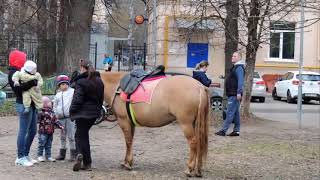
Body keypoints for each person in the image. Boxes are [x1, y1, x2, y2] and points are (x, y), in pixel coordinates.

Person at [70, 59, 104, 171]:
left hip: (82, 113)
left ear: (82, 68)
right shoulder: (99, 81)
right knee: (83, 135)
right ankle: (87, 163)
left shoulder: (81, 82)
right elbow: (101, 99)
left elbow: (78, 99)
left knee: (79, 135)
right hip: (94, 113)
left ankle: (80, 154)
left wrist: (72, 110)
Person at [8, 50, 38, 166]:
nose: (25, 61)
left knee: (33, 130)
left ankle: (25, 154)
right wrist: (32, 83)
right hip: (23, 104)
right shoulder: (13, 73)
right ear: (18, 60)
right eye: (23, 59)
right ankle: (20, 157)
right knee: (23, 131)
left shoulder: (22, 71)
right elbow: (18, 89)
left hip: (32, 103)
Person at [215, 52, 245, 136]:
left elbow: (240, 81)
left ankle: (223, 131)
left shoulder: (239, 68)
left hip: (234, 94)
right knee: (235, 113)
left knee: (229, 112)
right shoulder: (235, 67)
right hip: (233, 93)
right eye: (232, 56)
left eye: (235, 56)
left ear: (239, 58)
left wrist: (239, 92)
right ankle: (236, 131)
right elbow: (233, 80)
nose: (232, 57)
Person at [53, 75, 76, 161]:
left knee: (71, 136)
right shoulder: (58, 95)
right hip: (60, 118)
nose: (64, 85)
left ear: (68, 84)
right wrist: (55, 115)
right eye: (61, 84)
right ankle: (62, 153)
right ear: (59, 85)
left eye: (65, 84)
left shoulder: (72, 92)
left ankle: (73, 153)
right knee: (62, 136)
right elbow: (55, 106)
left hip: (70, 117)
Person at [37, 96, 64, 162]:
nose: (51, 103)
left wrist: (61, 126)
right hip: (43, 132)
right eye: (49, 102)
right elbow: (37, 120)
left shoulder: (52, 112)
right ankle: (40, 156)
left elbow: (56, 121)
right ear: (44, 103)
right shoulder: (41, 112)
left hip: (50, 132)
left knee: (49, 145)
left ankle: (48, 156)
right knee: (41, 144)